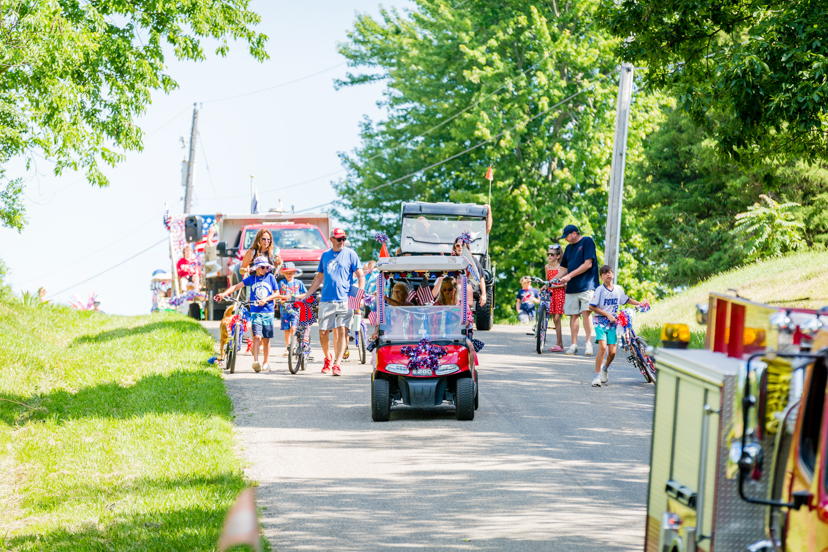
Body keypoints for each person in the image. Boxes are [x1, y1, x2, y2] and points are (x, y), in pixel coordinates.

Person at [300, 228, 364, 376]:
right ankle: (327, 358)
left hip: (345, 300)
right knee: (323, 332)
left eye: (343, 239)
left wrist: (359, 295)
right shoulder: (325, 255)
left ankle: (337, 363)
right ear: (332, 240)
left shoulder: (351, 254)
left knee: (342, 330)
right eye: (339, 239)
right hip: (327, 299)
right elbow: (319, 278)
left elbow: (361, 276)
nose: (342, 242)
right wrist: (308, 294)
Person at [216, 256, 278, 373]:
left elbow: (277, 293)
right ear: (257, 268)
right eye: (262, 267)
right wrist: (224, 294)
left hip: (268, 311)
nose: (265, 269)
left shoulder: (270, 278)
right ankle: (255, 361)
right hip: (255, 312)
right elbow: (236, 286)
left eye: (266, 267)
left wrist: (266, 299)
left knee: (266, 339)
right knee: (256, 336)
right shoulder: (251, 278)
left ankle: (266, 362)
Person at [588, 265, 646, 387]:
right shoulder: (599, 290)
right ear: (601, 277)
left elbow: (626, 300)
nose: (608, 274)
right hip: (600, 322)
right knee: (603, 348)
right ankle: (596, 376)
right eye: (604, 273)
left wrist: (639, 303)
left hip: (613, 322)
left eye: (609, 272)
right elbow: (591, 306)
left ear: (613, 274)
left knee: (613, 352)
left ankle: (605, 369)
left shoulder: (618, 289)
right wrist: (607, 314)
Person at [558, 224, 599, 356]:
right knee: (573, 315)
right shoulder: (568, 248)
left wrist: (569, 276)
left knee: (586, 313)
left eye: (567, 236)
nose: (566, 239)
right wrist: (549, 281)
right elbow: (564, 269)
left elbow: (588, 264)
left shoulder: (587, 241)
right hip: (572, 287)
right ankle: (574, 345)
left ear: (574, 233)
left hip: (587, 284)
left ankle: (588, 344)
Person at [275, 262, 306, 357]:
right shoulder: (281, 283)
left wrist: (298, 296)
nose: (289, 275)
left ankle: (293, 346)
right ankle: (288, 347)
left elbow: (305, 293)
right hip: (284, 310)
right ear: (283, 273)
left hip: (295, 309)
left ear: (294, 273)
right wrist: (281, 298)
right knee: (286, 330)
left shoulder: (298, 283)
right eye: (287, 273)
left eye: (291, 273)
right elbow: (277, 295)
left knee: (293, 328)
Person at [544, 244, 567, 352]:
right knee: (554, 319)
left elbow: (566, 283)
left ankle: (559, 343)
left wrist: (557, 286)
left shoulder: (561, 268)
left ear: (558, 256)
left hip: (560, 293)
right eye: (548, 254)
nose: (549, 256)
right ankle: (560, 344)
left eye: (552, 254)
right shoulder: (547, 267)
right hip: (551, 293)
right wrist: (545, 287)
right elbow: (547, 281)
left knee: (557, 318)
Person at [451, 237, 487, 307]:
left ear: (467, 247)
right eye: (458, 245)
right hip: (454, 292)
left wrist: (483, 294)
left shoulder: (473, 260)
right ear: (455, 247)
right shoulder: (452, 260)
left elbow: (481, 278)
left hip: (471, 292)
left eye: (463, 245)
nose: (460, 247)